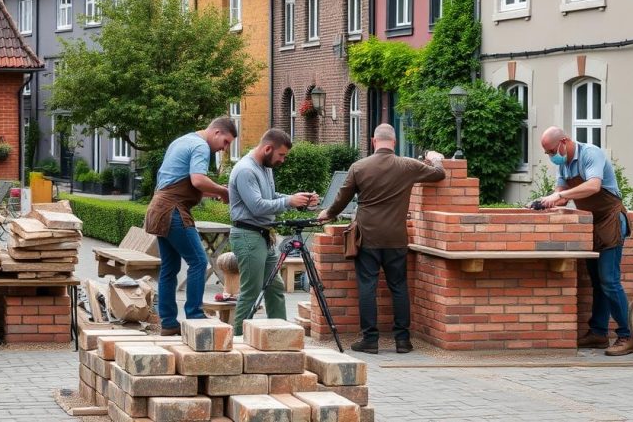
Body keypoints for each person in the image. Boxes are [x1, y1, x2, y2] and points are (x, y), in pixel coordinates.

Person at [318, 124, 446, 355]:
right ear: (394, 143)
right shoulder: (407, 165)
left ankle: (370, 340)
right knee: (399, 287)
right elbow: (439, 174)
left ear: (373, 141)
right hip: (396, 237)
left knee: (367, 286)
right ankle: (403, 340)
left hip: (367, 237)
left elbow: (341, 198)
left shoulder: (359, 167)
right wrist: (435, 158)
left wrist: (327, 213)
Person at [533, 126, 633, 356]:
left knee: (610, 280)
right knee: (597, 281)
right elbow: (560, 193)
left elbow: (593, 186)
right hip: (591, 223)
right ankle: (598, 333)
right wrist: (544, 202)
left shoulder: (591, 153)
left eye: (551, 151)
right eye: (547, 153)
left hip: (610, 220)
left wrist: (559, 195)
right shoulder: (564, 163)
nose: (551, 156)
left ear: (564, 142)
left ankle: (626, 336)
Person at [144, 117, 235, 336]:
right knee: (198, 262)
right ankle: (194, 315)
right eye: (225, 142)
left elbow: (181, 181)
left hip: (158, 208)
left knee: (169, 267)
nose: (225, 148)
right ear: (216, 133)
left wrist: (214, 191)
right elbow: (197, 180)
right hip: (172, 210)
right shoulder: (201, 146)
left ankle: (168, 323)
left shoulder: (182, 141)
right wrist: (223, 191)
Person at [228, 129, 316, 336]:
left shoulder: (264, 167)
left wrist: (297, 199)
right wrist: (288, 202)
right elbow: (257, 206)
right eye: (281, 155)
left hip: (263, 235)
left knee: (275, 288)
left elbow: (271, 196)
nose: (283, 160)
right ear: (268, 148)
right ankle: (238, 340)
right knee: (251, 291)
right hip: (248, 236)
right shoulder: (246, 170)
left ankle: (281, 336)